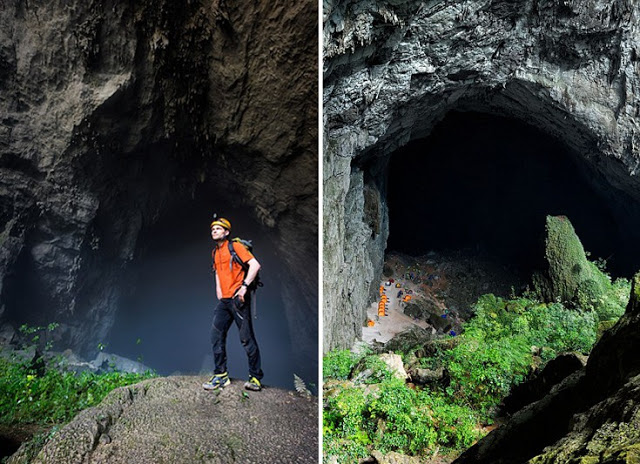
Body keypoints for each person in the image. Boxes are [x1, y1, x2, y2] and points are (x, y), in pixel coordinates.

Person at [202, 217, 264, 391]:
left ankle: (255, 378)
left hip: (239, 298)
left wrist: (243, 288)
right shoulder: (215, 252)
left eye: (219, 228)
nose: (214, 230)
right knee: (216, 336)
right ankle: (221, 375)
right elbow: (217, 272)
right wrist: (219, 291)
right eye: (213, 228)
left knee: (246, 339)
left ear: (226, 232)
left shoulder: (235, 247)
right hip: (225, 301)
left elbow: (255, 265)